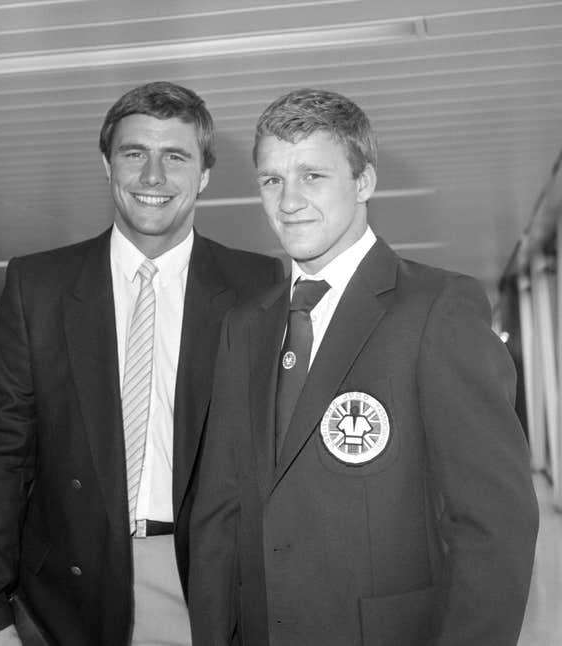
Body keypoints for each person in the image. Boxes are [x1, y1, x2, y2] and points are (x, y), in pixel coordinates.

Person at [188, 89, 539, 646]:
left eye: (313, 176)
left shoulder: (436, 309)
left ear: (364, 182)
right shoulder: (245, 327)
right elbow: (219, 515)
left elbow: (494, 525)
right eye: (272, 180)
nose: (289, 201)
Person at [0, 81, 283, 646]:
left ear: (203, 174)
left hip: (208, 581)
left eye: (175, 157)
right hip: (65, 590)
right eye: (134, 154)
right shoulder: (39, 286)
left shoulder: (260, 286)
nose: (153, 177)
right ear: (107, 164)